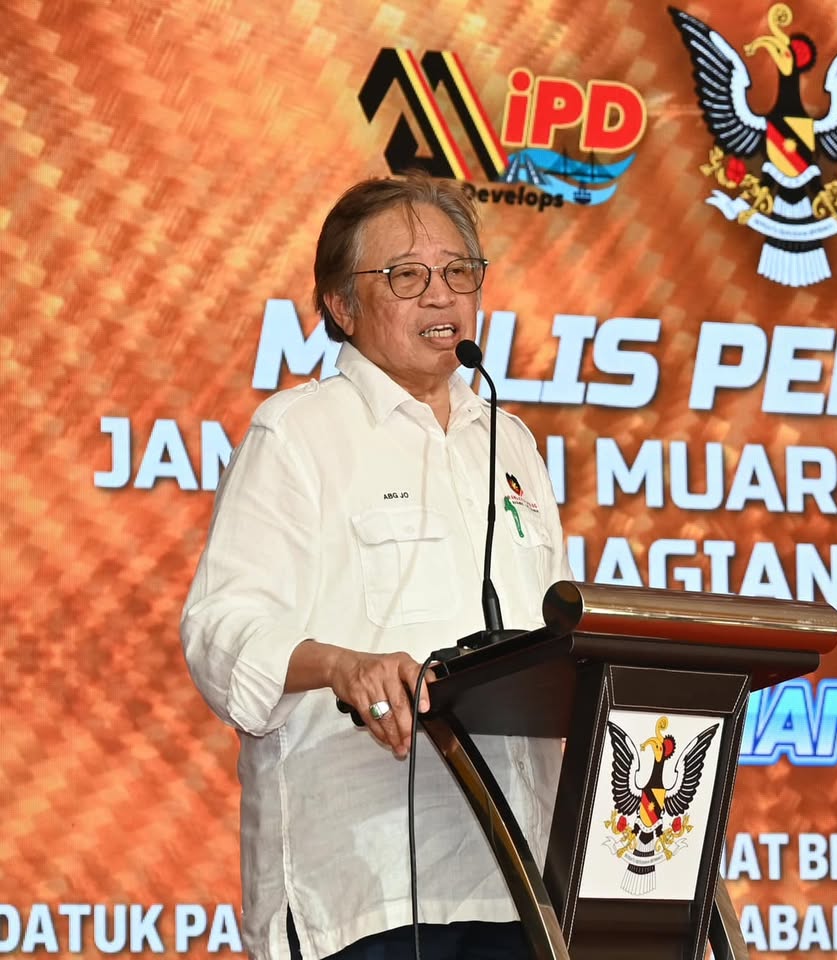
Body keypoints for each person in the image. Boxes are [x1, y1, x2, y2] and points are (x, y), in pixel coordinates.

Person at [181, 174, 571, 960]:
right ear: (341, 304)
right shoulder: (299, 434)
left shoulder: (510, 442)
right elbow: (220, 630)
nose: (441, 295)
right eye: (406, 276)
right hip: (367, 887)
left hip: (521, 882)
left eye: (458, 271)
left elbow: (554, 636)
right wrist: (342, 666)